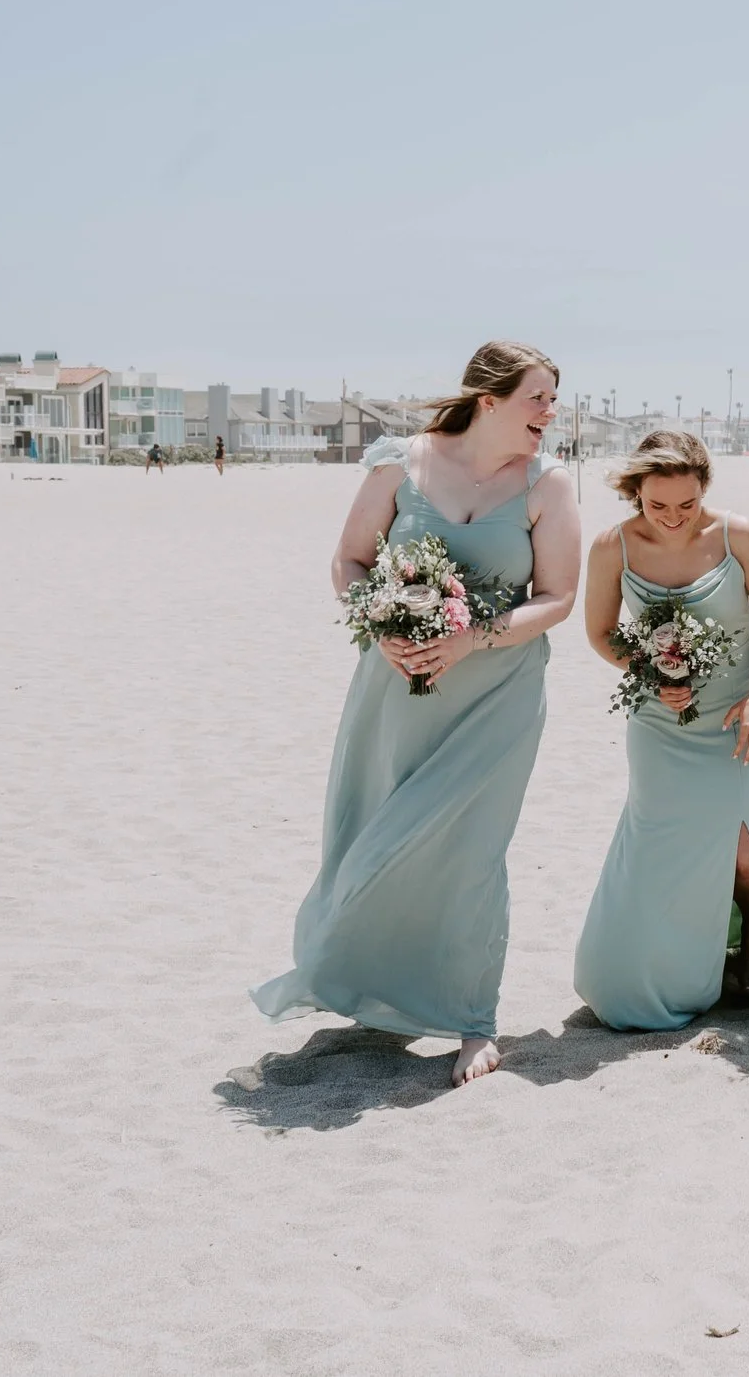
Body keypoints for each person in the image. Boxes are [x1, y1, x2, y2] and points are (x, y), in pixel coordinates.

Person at [252, 341, 582, 1085]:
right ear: (489, 398)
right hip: (393, 690)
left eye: (552, 400)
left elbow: (558, 596)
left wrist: (473, 638)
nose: (549, 412)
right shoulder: (402, 462)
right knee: (376, 837)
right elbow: (350, 559)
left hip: (497, 696)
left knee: (470, 851)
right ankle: (378, 987)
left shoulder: (547, 483)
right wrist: (379, 623)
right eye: (537, 397)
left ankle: (472, 1019)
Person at [574, 431, 749, 1032]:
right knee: (660, 845)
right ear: (634, 494)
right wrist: (646, 669)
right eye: (657, 505)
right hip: (659, 722)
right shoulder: (610, 547)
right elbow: (600, 633)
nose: (672, 518)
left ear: (705, 491)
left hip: (739, 714)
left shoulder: (736, 534)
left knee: (745, 843)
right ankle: (665, 961)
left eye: (686, 504)